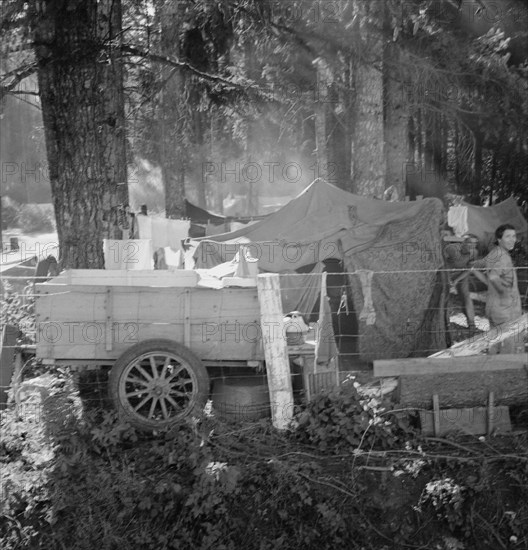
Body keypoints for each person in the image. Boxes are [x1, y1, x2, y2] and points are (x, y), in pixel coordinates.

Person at [478, 224, 522, 328]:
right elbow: (494, 277)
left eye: (514, 236)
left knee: (496, 341)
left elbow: (487, 274)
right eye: (508, 236)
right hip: (505, 311)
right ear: (499, 239)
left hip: (494, 306)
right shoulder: (502, 256)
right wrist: (505, 295)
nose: (512, 240)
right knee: (509, 342)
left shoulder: (495, 253)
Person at [444, 233, 482, 332]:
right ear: (464, 242)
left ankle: (472, 325)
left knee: (466, 296)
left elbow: (469, 269)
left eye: (475, 244)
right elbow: (442, 265)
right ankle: (445, 323)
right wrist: (448, 279)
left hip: (461, 274)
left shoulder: (474, 253)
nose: (472, 246)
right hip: (445, 273)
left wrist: (457, 280)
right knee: (444, 297)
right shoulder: (451, 249)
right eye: (469, 243)